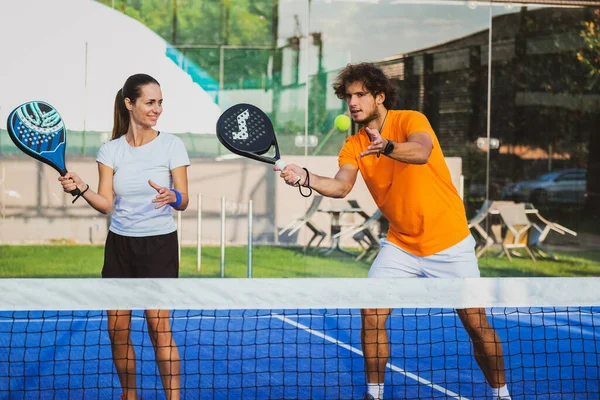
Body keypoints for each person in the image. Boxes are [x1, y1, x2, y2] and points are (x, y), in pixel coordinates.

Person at [275, 63, 511, 400]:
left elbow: (421, 151)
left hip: (449, 241)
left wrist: (385, 146)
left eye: (360, 95)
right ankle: (375, 392)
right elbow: (342, 185)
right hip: (401, 245)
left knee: (476, 324)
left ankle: (501, 393)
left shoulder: (411, 120)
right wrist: (306, 177)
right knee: (370, 311)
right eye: (348, 97)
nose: (353, 103)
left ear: (379, 96)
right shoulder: (353, 144)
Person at [59, 73, 189, 400]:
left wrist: (172, 196)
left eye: (160, 102)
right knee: (117, 332)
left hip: (159, 246)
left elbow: (184, 199)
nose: (157, 109)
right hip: (119, 247)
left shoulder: (172, 144)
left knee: (159, 329)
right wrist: (83, 187)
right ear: (130, 104)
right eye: (150, 102)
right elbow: (105, 204)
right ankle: (129, 396)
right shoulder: (110, 151)